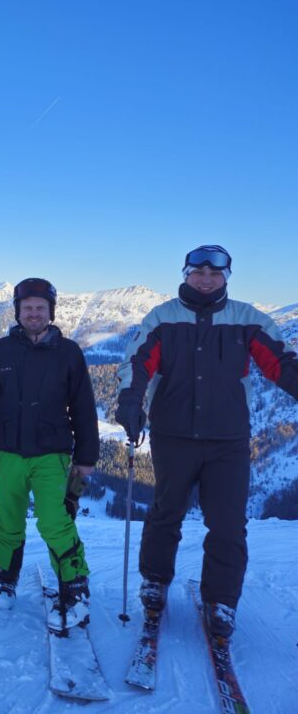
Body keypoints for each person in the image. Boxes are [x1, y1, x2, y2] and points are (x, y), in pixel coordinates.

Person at [116, 245, 298, 639]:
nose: (206, 279)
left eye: (215, 274)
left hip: (227, 438)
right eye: (198, 272)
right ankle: (154, 579)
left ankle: (221, 600)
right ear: (185, 274)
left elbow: (280, 362)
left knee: (229, 523)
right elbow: (137, 362)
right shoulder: (163, 317)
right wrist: (131, 401)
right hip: (173, 433)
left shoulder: (247, 319)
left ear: (226, 277)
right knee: (167, 512)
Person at [0, 278, 99, 630]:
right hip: (8, 451)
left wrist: (86, 458)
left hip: (51, 453)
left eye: (41, 308)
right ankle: (5, 576)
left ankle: (75, 583)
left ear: (51, 312)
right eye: (28, 308)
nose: (34, 313)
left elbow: (84, 409)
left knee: (55, 519)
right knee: (7, 518)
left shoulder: (68, 352)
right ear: (18, 312)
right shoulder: (0, 351)